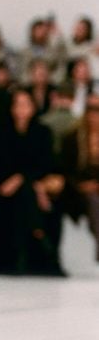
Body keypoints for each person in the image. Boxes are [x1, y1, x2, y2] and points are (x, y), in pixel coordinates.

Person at [0, 89, 65, 276]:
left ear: (33, 108)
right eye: (17, 104)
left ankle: (30, 247)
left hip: (32, 186)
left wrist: (24, 179)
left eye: (26, 104)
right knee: (24, 196)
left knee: (27, 194)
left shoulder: (42, 132)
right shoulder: (1, 133)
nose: (21, 109)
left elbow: (46, 164)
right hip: (5, 187)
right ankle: (43, 244)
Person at [60, 93, 99, 262]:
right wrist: (81, 186)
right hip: (77, 192)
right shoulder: (72, 137)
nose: (94, 114)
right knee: (93, 200)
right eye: (90, 109)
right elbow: (65, 169)